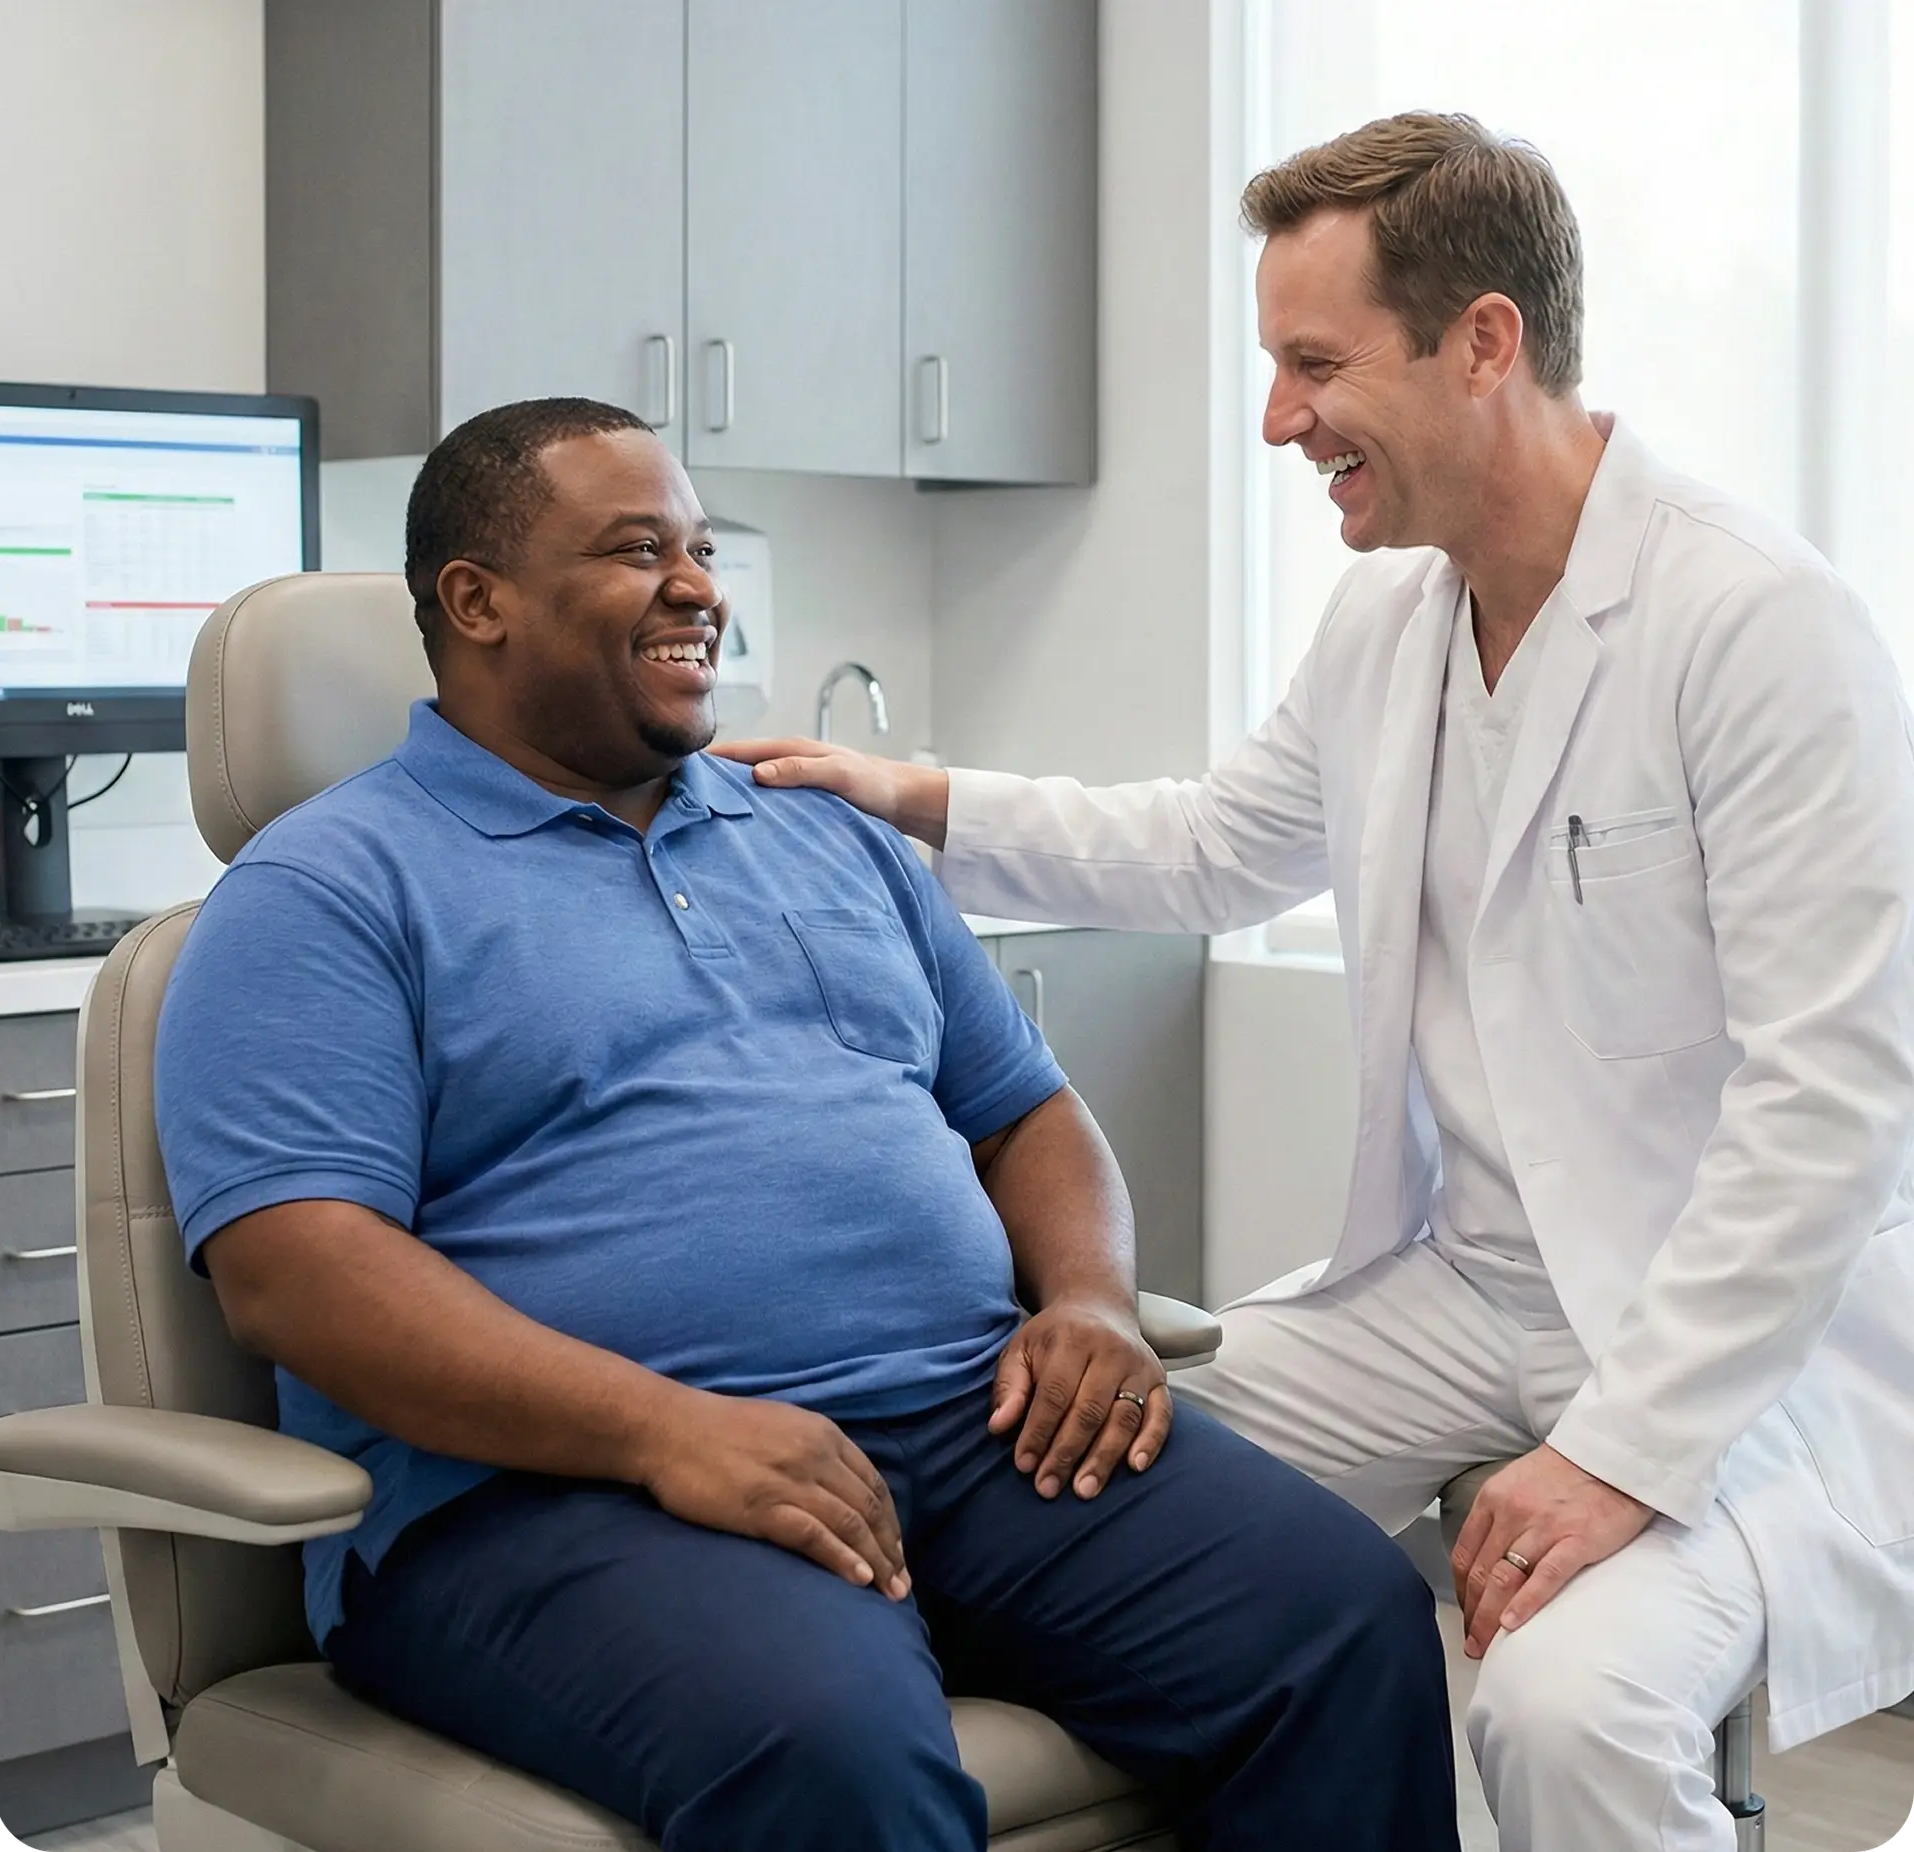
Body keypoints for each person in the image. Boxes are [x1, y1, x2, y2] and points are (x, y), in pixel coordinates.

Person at [720, 113, 1914, 1852]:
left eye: (1313, 364)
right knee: (1088, 1471)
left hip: (1718, 1325)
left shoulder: (1756, 625)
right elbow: (1213, 847)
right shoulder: (1392, 621)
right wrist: (914, 804)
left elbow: (1835, 1103)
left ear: (1483, 342)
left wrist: (1622, 1452)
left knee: (1567, 1712)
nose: (1279, 419)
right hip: (1463, 1294)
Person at [153, 398, 1460, 1852]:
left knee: (1346, 1621)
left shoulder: (825, 834)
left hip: (972, 1429)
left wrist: (1088, 1299)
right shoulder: (326, 891)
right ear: (478, 604)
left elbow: (1027, 1112)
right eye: (638, 549)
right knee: (833, 1753)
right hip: (555, 1497)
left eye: (700, 546)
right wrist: (667, 1433)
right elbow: (299, 1272)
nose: (699, 586)